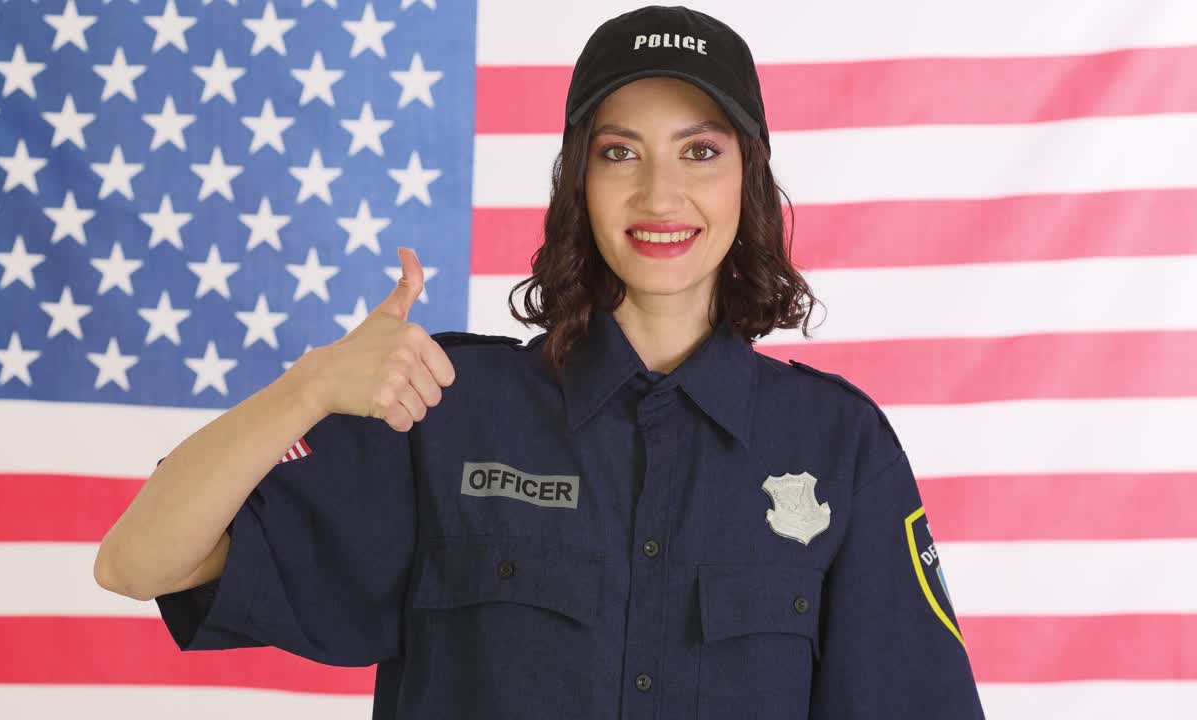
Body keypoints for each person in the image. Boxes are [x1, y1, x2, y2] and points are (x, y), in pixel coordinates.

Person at [95, 5, 987, 719]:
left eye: (701, 151)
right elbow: (137, 563)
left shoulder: (838, 443)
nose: (659, 194)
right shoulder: (444, 412)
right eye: (619, 152)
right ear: (578, 183)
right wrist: (307, 389)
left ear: (748, 180)